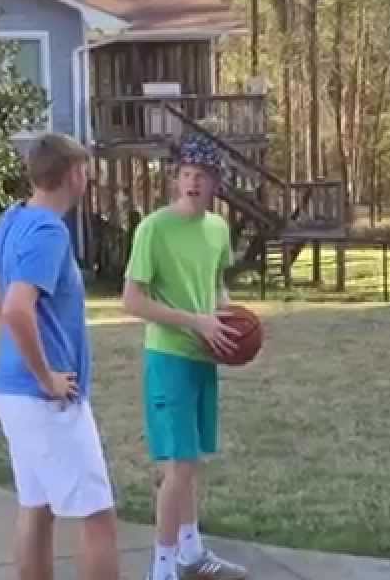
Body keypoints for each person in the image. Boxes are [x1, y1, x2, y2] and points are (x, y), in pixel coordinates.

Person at [0, 132, 119, 580]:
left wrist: (14, 336)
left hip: (12, 393)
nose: (87, 178)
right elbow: (18, 307)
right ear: (73, 175)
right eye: (85, 170)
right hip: (44, 399)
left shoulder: (13, 218)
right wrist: (46, 376)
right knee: (98, 518)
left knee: (36, 507)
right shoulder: (49, 232)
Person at [122, 132, 248, 580]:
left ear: (216, 182)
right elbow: (132, 301)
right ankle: (161, 568)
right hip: (168, 357)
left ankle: (191, 554)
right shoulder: (154, 229)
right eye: (187, 174)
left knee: (191, 461)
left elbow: (216, 288)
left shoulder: (217, 229)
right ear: (176, 179)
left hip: (203, 357)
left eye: (203, 175)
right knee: (178, 466)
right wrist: (196, 322)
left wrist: (231, 323)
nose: (193, 182)